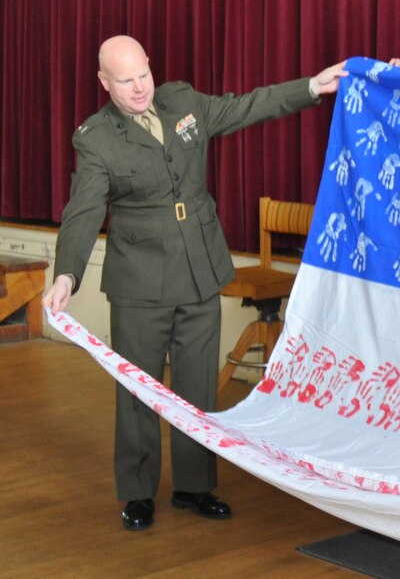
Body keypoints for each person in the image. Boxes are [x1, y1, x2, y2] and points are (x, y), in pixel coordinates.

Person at [42, 35, 348, 532]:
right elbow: (83, 211)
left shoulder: (182, 101)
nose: (140, 88)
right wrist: (67, 274)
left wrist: (312, 86)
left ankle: (194, 485)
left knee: (196, 385)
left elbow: (246, 106)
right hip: (140, 282)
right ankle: (138, 493)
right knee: (139, 390)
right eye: (126, 81)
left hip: (200, 268)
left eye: (144, 73)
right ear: (103, 83)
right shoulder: (96, 138)